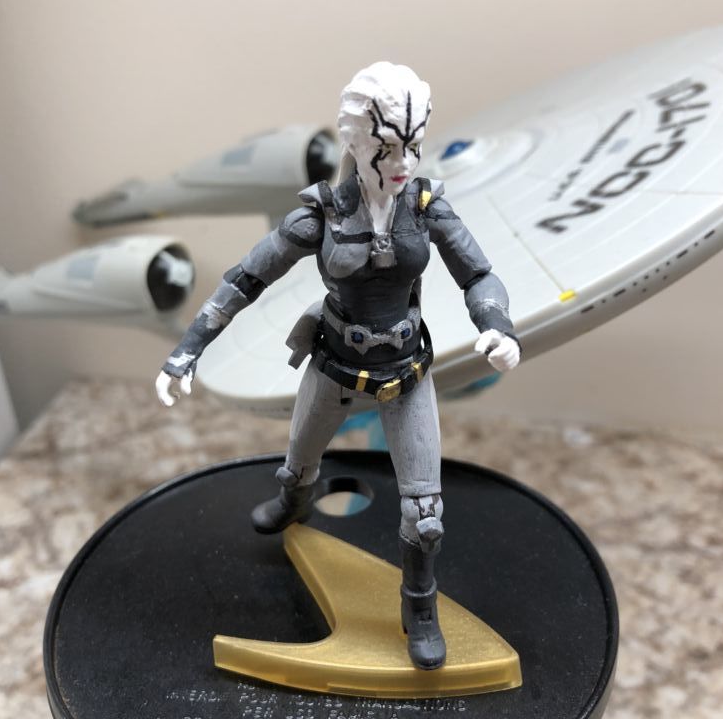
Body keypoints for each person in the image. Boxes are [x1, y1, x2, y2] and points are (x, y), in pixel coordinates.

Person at [156, 62, 520, 670]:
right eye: (386, 149)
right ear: (355, 141)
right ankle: (294, 501)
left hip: (406, 372)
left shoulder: (425, 206)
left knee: (425, 515)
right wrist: (187, 348)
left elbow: (478, 274)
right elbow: (246, 279)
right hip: (333, 365)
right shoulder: (321, 215)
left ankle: (419, 605)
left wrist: (497, 326)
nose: (402, 162)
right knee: (299, 459)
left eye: (411, 147)